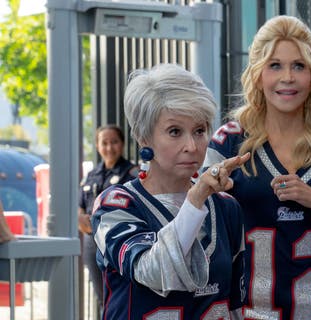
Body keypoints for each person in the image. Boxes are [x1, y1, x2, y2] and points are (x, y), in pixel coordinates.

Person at [204, 15, 311, 319]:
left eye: (299, 66)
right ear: (258, 74)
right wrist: (210, 200)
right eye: (275, 65)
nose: (287, 77)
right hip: (247, 313)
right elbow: (203, 246)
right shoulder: (228, 143)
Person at [91, 64, 250, 319]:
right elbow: (153, 270)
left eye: (199, 130)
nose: (191, 145)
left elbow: (235, 307)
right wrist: (196, 198)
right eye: (175, 131)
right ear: (144, 137)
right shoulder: (115, 205)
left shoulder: (226, 207)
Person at [78, 124, 137, 306]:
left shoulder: (132, 174)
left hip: (118, 243)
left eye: (114, 142)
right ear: (97, 146)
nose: (109, 148)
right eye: (104, 143)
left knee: (121, 298)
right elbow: (80, 205)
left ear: (122, 144)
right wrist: (80, 219)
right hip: (91, 243)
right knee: (101, 297)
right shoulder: (91, 175)